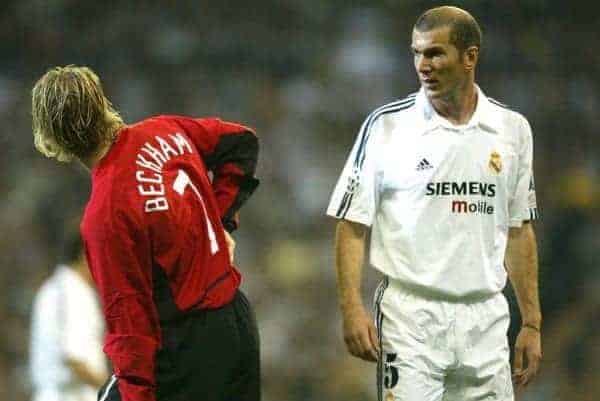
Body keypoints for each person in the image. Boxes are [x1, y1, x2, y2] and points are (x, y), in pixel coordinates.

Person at [327, 6, 541, 401]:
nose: (422, 64)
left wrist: (532, 322)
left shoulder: (513, 130)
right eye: (416, 53)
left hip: (487, 318)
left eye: (435, 53)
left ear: (470, 56)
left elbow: (519, 229)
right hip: (411, 318)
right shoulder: (387, 125)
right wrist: (351, 306)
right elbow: (352, 223)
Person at [31, 65, 261, 401]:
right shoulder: (165, 130)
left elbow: (131, 326)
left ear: (51, 139)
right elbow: (241, 144)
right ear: (103, 105)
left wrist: (138, 395)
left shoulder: (105, 215)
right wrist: (220, 221)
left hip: (185, 346)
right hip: (237, 324)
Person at [29, 223, 108, 401]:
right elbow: (75, 358)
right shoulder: (74, 292)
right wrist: (112, 391)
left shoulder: (56, 287)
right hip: (69, 395)